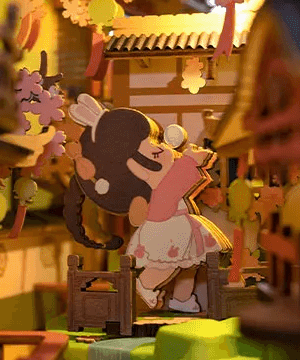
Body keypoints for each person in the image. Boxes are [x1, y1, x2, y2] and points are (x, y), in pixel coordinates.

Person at [64, 94, 230, 312]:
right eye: (156, 150)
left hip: (176, 224)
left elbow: (177, 177)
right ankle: (145, 285)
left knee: (189, 263)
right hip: (166, 228)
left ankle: (181, 299)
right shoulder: (153, 181)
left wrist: (189, 160)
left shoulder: (153, 171)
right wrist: (190, 160)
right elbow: (176, 183)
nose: (165, 149)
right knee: (167, 265)